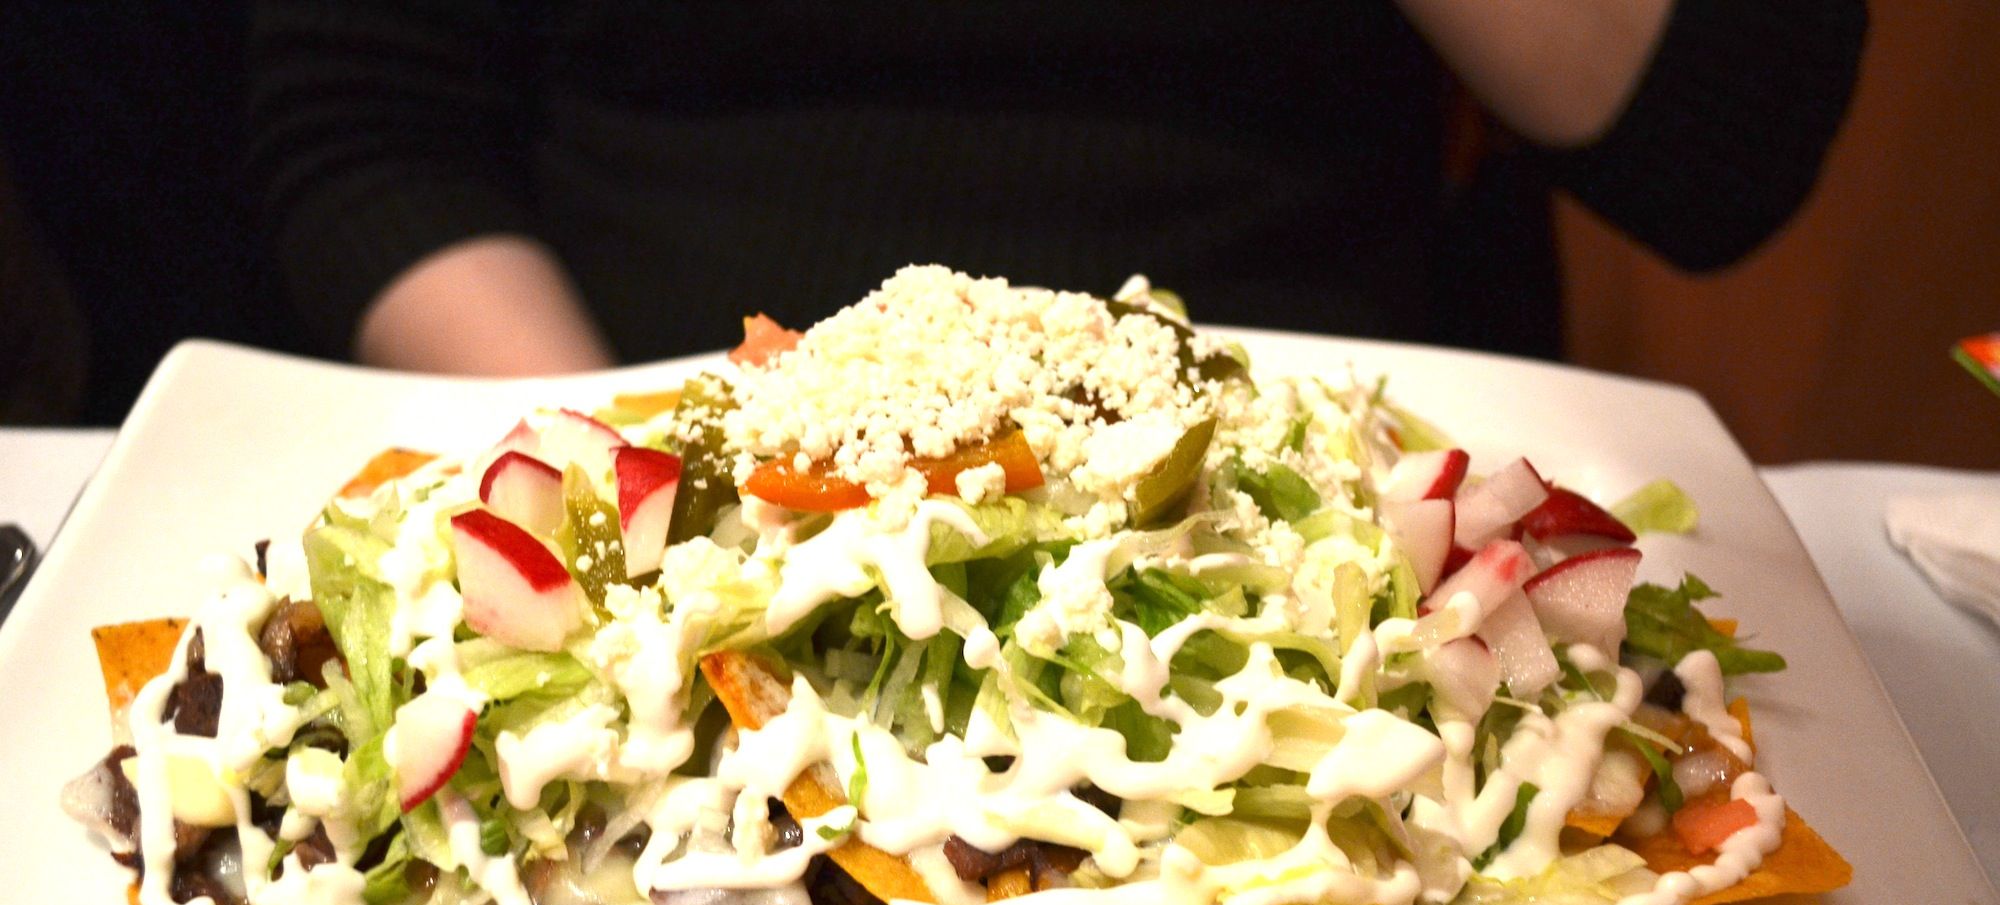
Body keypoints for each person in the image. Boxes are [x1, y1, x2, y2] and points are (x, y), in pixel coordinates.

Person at [248, 1, 1866, 377]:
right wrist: (633, 528)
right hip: (659, 416)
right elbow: (362, 130)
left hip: (1297, 480)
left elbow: (1718, 144)